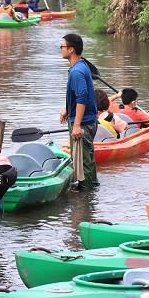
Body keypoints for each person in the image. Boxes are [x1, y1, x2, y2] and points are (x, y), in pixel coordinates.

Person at [58, 33, 99, 190]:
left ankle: (88, 196)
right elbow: (78, 95)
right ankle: (89, 188)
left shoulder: (77, 72)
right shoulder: (81, 66)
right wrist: (68, 109)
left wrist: (76, 125)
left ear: (71, 49)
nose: (61, 49)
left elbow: (82, 97)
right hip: (86, 119)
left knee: (84, 161)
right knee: (85, 158)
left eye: (63, 46)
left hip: (83, 123)